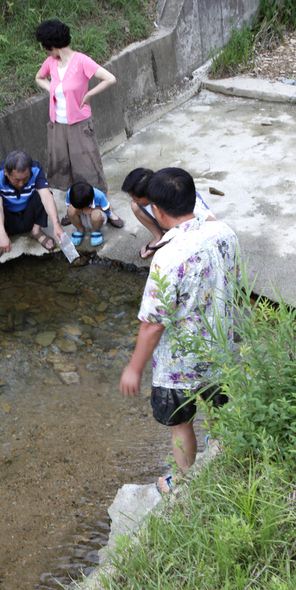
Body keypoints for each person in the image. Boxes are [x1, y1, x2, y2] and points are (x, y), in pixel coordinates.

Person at [119, 167, 239, 494]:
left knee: (180, 425)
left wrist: (134, 368)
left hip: (178, 366)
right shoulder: (226, 233)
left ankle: (184, 485)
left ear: (156, 210)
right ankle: (223, 457)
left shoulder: (168, 256)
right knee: (218, 409)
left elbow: (153, 323)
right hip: (221, 349)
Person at [34, 18, 124, 228]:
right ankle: (74, 206)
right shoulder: (51, 64)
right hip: (58, 125)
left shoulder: (82, 61)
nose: (46, 52)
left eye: (46, 47)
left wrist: (89, 94)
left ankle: (107, 210)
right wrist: (52, 92)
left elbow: (110, 78)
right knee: (66, 168)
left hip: (80, 125)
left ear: (52, 45)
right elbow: (39, 78)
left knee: (91, 168)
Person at [121, 167, 216, 260]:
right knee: (135, 206)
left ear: (147, 195)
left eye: (136, 199)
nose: (134, 201)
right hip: (175, 223)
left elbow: (214, 224)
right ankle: (159, 237)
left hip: (192, 226)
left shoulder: (185, 205)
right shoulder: (151, 199)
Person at [0, 150, 65, 260]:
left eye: (26, 178)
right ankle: (4, 236)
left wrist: (57, 225)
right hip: (8, 219)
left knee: (44, 195)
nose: (21, 184)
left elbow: (46, 197)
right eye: (16, 180)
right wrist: (1, 233)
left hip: (29, 216)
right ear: (5, 172)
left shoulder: (36, 169)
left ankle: (36, 231)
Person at [66, 181, 110, 248]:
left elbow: (107, 210)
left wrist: (92, 209)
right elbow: (69, 205)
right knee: (70, 209)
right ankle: (80, 229)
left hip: (97, 217)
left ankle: (95, 230)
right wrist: (77, 208)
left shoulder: (99, 196)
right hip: (82, 215)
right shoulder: (71, 193)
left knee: (96, 214)